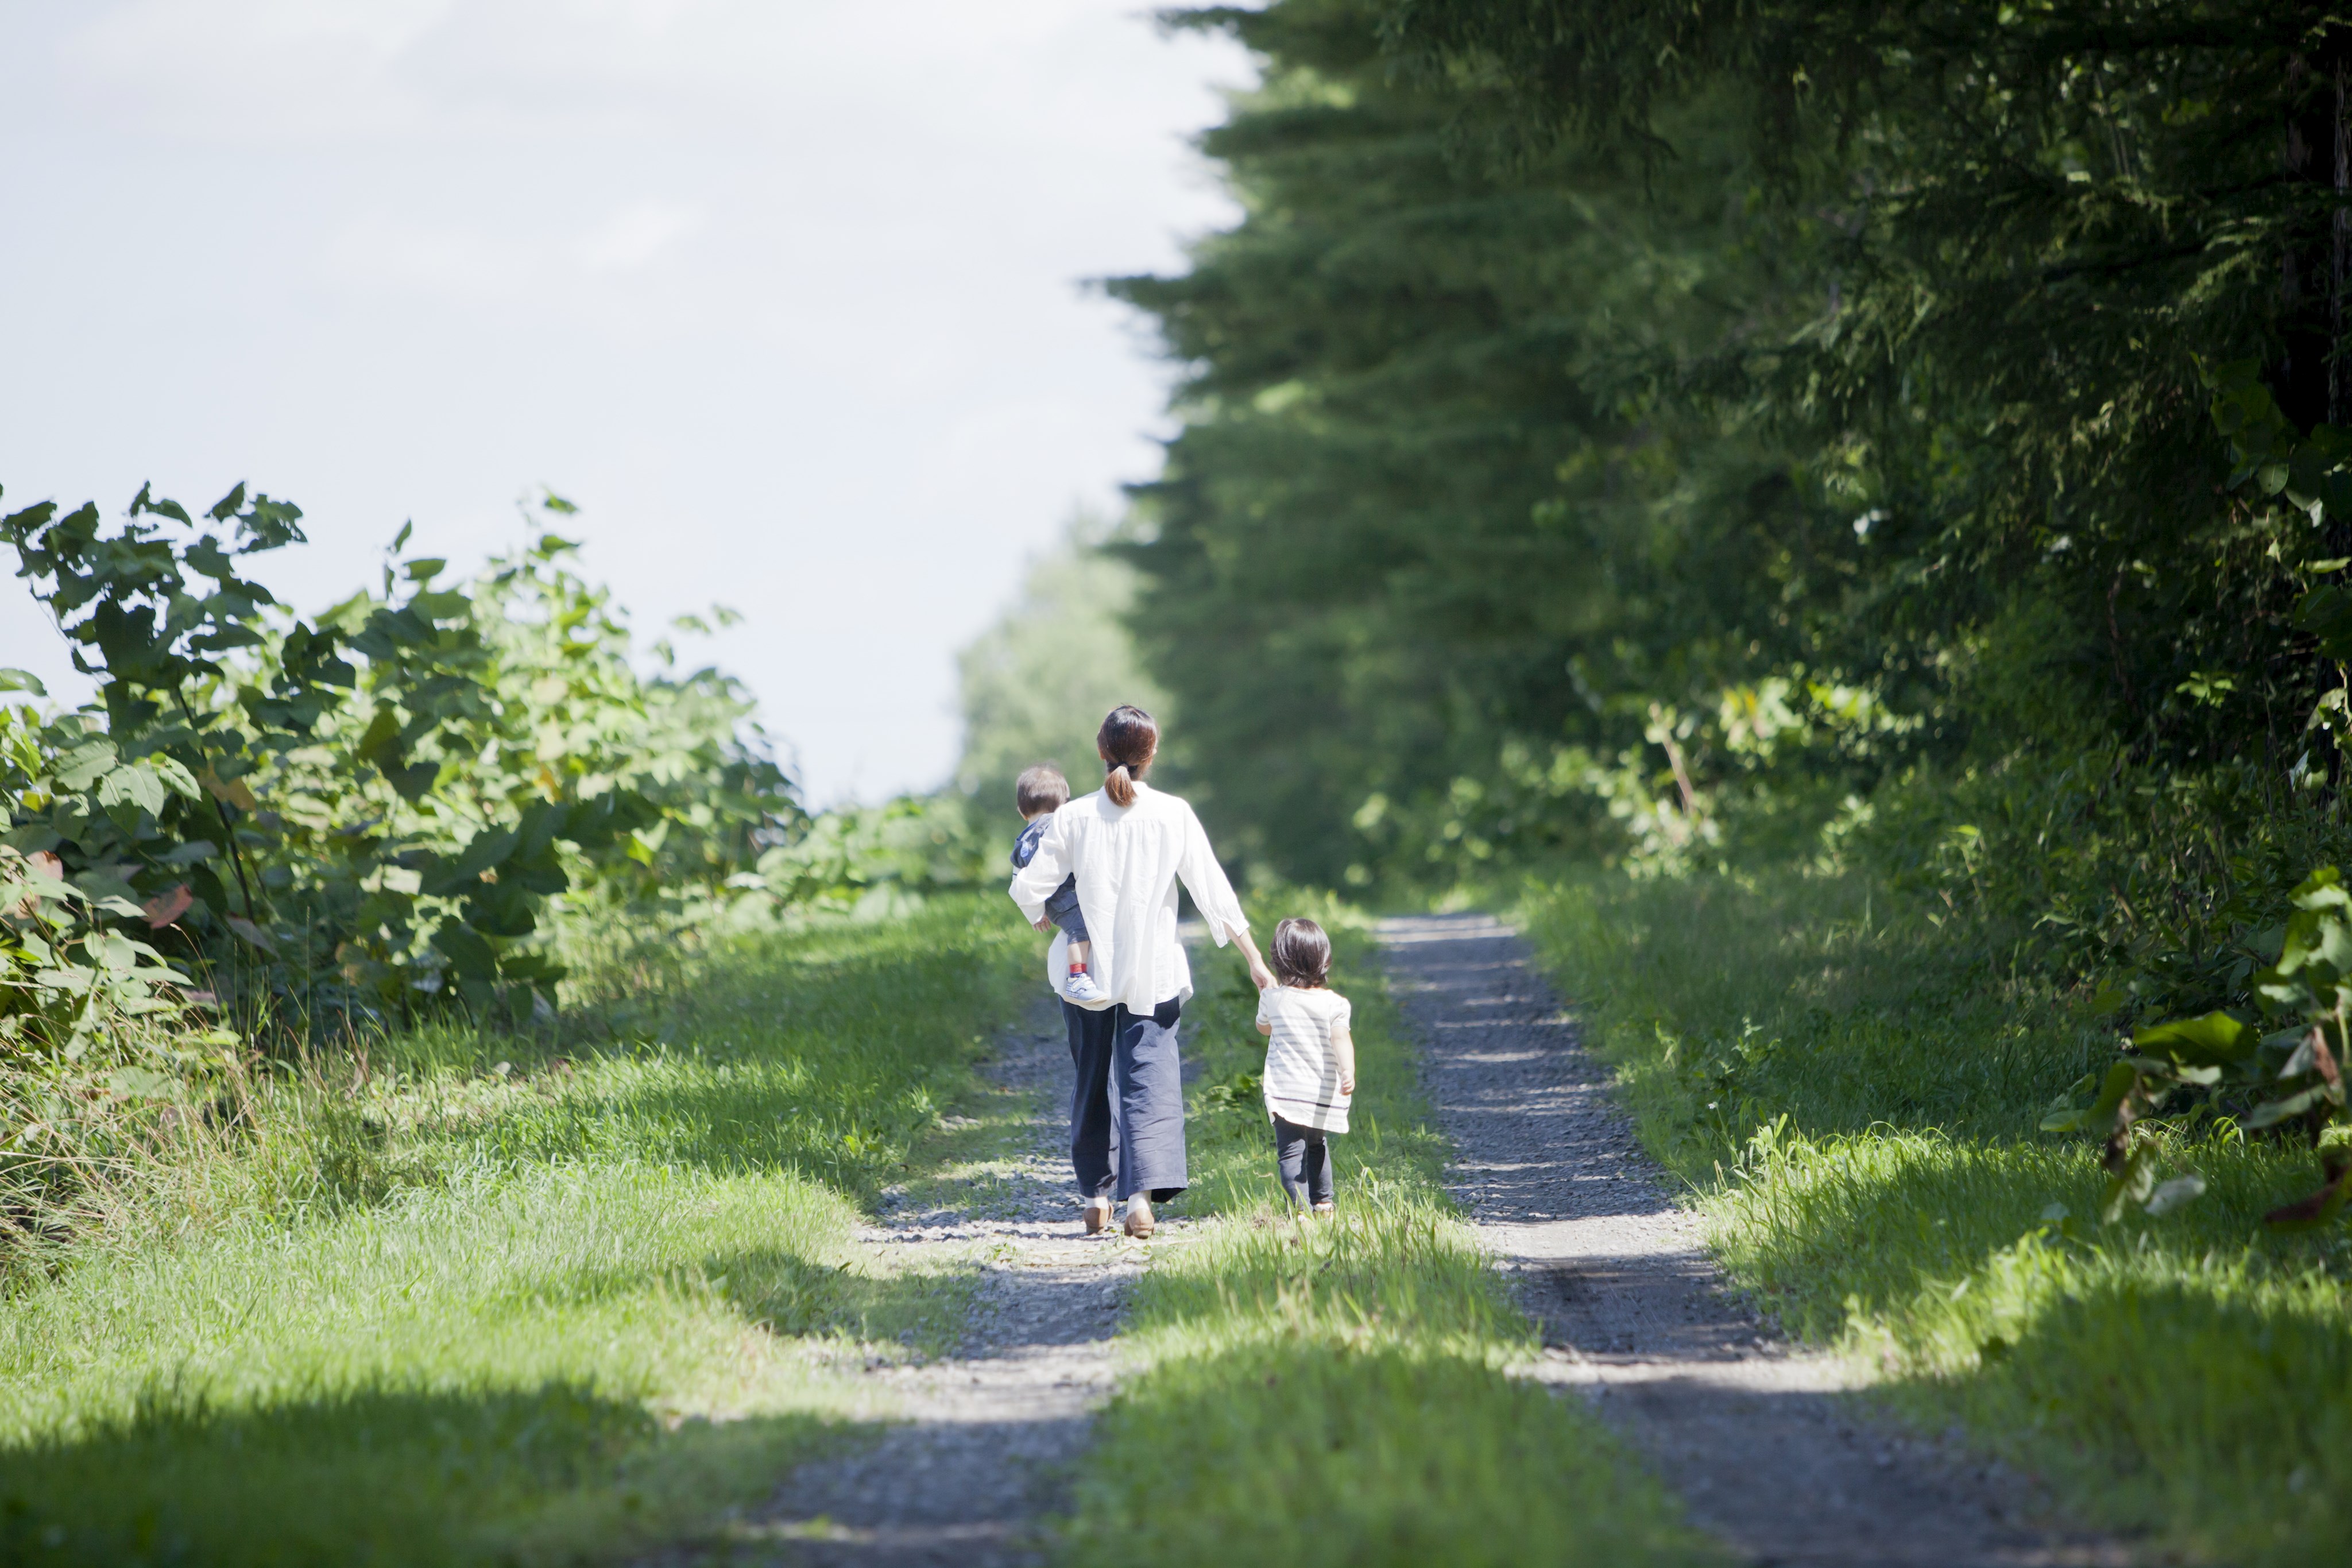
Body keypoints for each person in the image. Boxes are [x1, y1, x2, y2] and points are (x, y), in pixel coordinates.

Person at [1009, 704, 1274, 1239]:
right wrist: (1255, 960)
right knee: (1149, 1078)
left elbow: (1027, 885)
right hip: (1152, 973)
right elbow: (1212, 891)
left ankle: (1094, 1198)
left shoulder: (1074, 816)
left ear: (1101, 751)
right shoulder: (1173, 813)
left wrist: (1040, 913)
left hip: (1087, 979)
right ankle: (1140, 1201)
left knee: (1091, 1080)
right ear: (1151, 755)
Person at [1254, 916, 1355, 1214]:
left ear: (1279, 960)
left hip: (1286, 1093)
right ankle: (1323, 1202)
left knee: (1290, 1153)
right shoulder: (1335, 1003)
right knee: (1317, 1145)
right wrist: (1347, 1071)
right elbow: (1342, 1040)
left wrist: (1268, 997)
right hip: (1321, 1090)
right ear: (1324, 959)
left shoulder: (1273, 999)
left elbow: (1264, 1029)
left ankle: (1299, 1209)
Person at [1009, 764, 1105, 1003]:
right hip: (1067, 896)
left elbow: (1018, 881)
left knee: (1078, 928)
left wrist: (1036, 914)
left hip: (1049, 902)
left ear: (1022, 811)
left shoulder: (1022, 842)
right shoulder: (1061, 825)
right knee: (1080, 929)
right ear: (1065, 806)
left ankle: (1080, 975)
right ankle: (1077, 978)